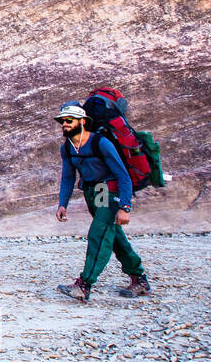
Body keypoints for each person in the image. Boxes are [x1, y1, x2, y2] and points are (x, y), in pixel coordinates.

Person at [54, 102, 150, 301]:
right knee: (112, 235)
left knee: (98, 234)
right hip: (92, 192)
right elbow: (68, 177)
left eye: (69, 120)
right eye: (62, 121)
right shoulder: (68, 148)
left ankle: (84, 285)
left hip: (109, 191)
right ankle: (139, 279)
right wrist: (63, 203)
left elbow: (123, 175)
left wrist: (125, 207)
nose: (65, 124)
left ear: (82, 122)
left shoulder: (101, 143)